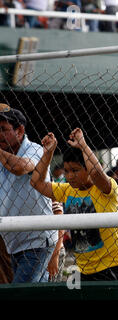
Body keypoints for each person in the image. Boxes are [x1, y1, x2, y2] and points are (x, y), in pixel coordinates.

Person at [30, 128, 118, 281]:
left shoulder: (105, 188)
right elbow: (36, 182)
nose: (69, 176)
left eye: (75, 170)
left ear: (87, 168)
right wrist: (48, 153)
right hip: (83, 270)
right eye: (67, 171)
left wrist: (83, 145)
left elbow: (96, 174)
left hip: (111, 267)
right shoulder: (67, 190)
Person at [0, 104, 57, 283]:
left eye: (3, 129)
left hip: (37, 240)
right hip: (14, 243)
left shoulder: (35, 149)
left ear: (20, 130)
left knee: (20, 292)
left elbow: (20, 167)